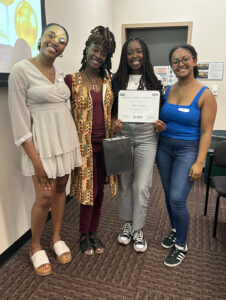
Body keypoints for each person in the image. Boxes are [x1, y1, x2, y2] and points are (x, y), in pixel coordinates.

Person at [8, 23, 82, 276]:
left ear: (63, 50)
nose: (56, 41)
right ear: (41, 38)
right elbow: (19, 123)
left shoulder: (60, 72)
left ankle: (56, 237)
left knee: (61, 187)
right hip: (41, 144)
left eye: (62, 40)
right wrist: (37, 163)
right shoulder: (20, 71)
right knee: (44, 197)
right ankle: (35, 245)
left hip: (65, 141)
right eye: (51, 35)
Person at [156, 44, 217, 267]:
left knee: (177, 198)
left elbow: (207, 131)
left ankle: (181, 245)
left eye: (185, 59)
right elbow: (165, 118)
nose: (180, 64)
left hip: (188, 150)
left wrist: (200, 162)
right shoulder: (169, 90)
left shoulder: (205, 94)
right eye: (175, 61)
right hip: (163, 148)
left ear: (194, 61)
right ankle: (174, 229)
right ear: (171, 66)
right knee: (168, 194)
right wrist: (160, 126)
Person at [64, 26, 116, 255]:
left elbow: (113, 109)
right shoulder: (71, 81)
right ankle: (83, 233)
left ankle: (94, 231)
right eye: (95, 50)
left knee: (100, 191)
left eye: (103, 53)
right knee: (88, 190)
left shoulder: (108, 81)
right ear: (86, 49)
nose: (98, 56)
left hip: (106, 145)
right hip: (83, 147)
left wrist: (117, 121)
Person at [111, 37, 166, 253]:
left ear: (145, 54)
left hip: (146, 137)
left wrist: (161, 124)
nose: (135, 56)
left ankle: (139, 228)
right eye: (130, 52)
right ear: (125, 56)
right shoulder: (117, 80)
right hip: (123, 136)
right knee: (125, 182)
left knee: (142, 185)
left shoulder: (154, 81)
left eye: (139, 51)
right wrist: (114, 120)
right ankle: (127, 224)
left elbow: (159, 112)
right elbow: (112, 110)